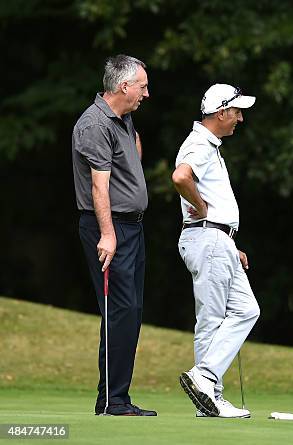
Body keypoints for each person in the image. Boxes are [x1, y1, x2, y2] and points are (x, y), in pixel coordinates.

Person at [72, 55, 156, 416]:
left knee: (130, 310)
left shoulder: (122, 119)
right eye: (143, 87)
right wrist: (108, 234)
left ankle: (118, 397)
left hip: (132, 226)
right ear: (124, 87)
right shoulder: (94, 124)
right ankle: (111, 401)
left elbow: (131, 156)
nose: (146, 94)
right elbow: (98, 185)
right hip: (110, 228)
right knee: (118, 310)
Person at [172, 84, 260, 418]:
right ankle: (208, 386)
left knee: (246, 310)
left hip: (217, 240)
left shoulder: (210, 145)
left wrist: (227, 242)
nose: (240, 119)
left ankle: (207, 384)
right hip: (207, 237)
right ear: (221, 112)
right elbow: (181, 177)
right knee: (211, 319)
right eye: (237, 112)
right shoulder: (200, 144)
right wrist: (204, 211)